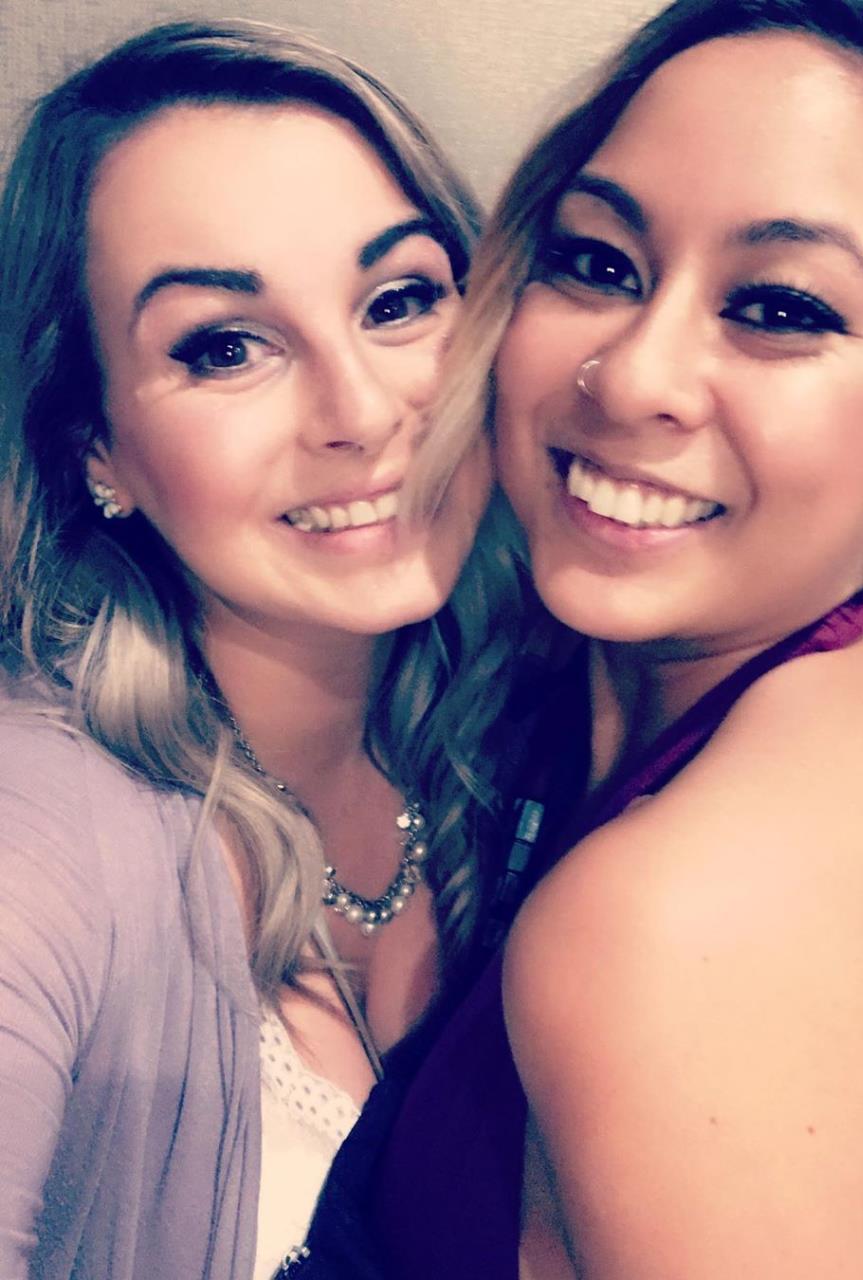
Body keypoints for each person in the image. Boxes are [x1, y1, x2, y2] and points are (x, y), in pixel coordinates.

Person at [362, 0, 863, 1276]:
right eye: (599, 262)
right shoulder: (862, 686)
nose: (632, 376)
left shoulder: (661, 934)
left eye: (778, 306)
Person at [0, 20, 519, 1280]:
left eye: (397, 301)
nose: (360, 412)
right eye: (225, 345)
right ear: (94, 447)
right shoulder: (41, 833)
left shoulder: (529, 738)